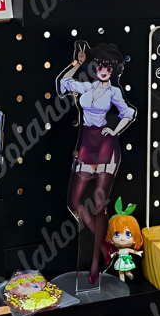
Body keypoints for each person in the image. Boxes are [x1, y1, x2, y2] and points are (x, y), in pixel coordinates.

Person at [57, 41, 137, 283]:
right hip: (86, 144)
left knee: (100, 206)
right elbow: (63, 84)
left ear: (114, 70)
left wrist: (115, 131)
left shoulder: (114, 92)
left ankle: (95, 264)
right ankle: (104, 246)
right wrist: (76, 63)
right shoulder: (87, 87)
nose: (104, 70)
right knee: (74, 201)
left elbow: (129, 113)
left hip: (105, 145)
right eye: (100, 65)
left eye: (108, 67)